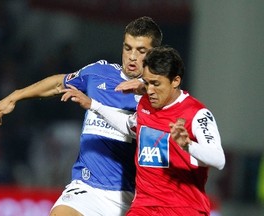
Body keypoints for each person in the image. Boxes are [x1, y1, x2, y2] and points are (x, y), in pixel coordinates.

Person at [0, 16, 163, 216]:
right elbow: (59, 83)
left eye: (141, 51)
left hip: (133, 197)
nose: (132, 56)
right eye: (128, 48)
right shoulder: (99, 73)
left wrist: (148, 89)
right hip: (87, 189)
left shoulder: (159, 95)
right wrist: (16, 95)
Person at [61, 45, 226, 215]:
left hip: (183, 209)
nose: (150, 91)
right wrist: (94, 105)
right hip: (144, 207)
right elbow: (129, 125)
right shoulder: (145, 105)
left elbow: (218, 159)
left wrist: (188, 145)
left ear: (175, 81)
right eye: (146, 83)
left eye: (156, 84)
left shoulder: (197, 114)